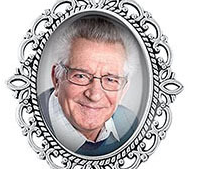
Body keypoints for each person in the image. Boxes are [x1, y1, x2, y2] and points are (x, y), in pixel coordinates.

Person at [39, 15, 139, 156]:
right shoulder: (29, 123)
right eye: (81, 76)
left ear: (123, 91)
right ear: (57, 79)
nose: (94, 95)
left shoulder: (131, 125)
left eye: (110, 80)